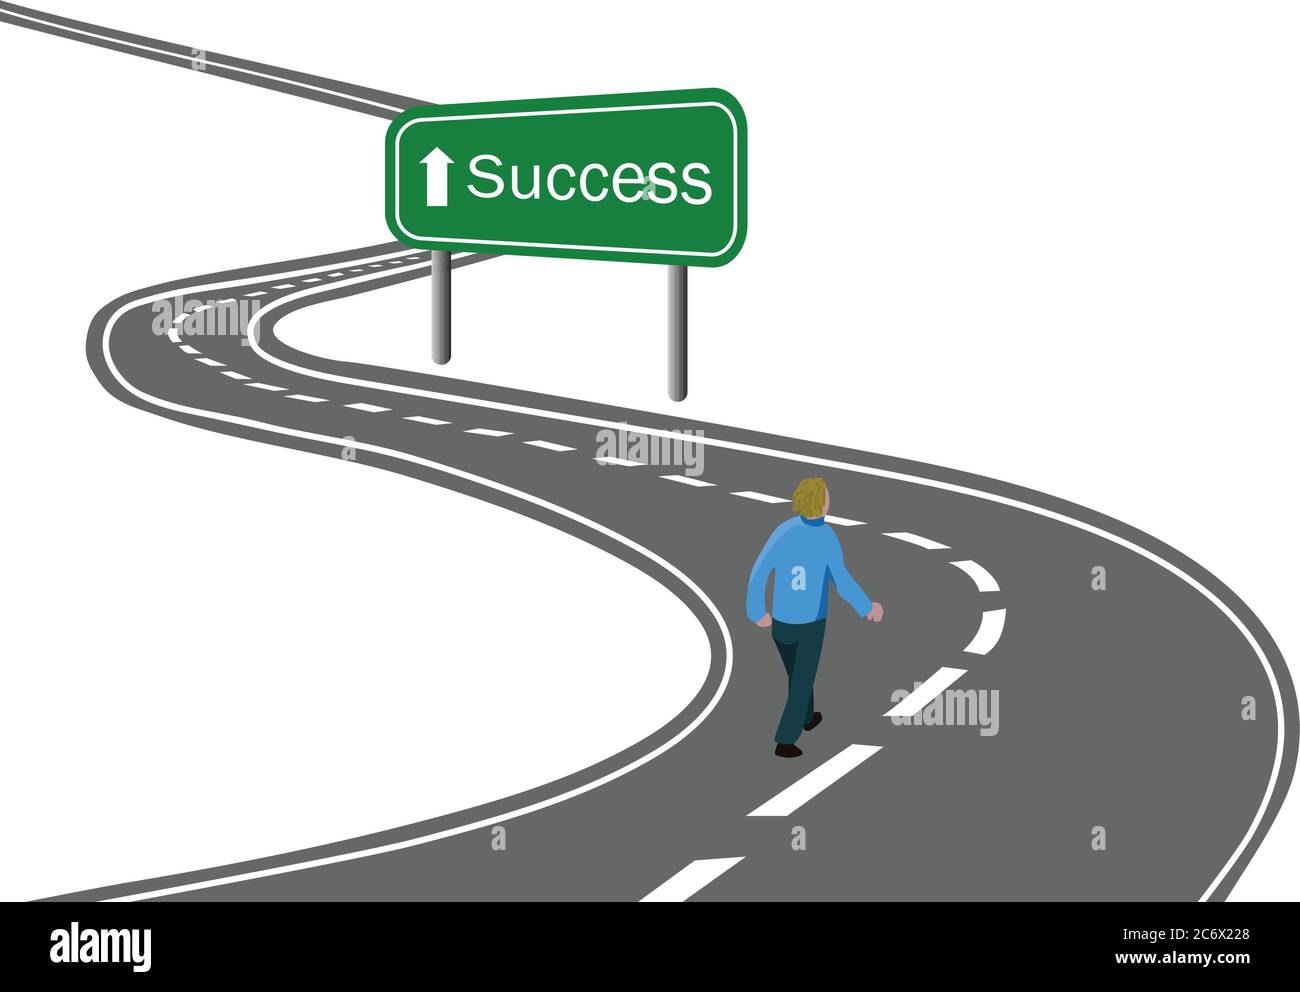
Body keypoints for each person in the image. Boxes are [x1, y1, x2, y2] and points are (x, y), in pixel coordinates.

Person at [745, 477, 883, 757]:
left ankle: (807, 717)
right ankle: (785, 739)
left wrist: (756, 611)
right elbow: (841, 580)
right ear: (822, 504)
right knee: (800, 680)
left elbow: (759, 570)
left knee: (798, 675)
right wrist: (867, 607)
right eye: (827, 496)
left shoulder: (782, 531)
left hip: (781, 623)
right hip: (811, 624)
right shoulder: (827, 538)